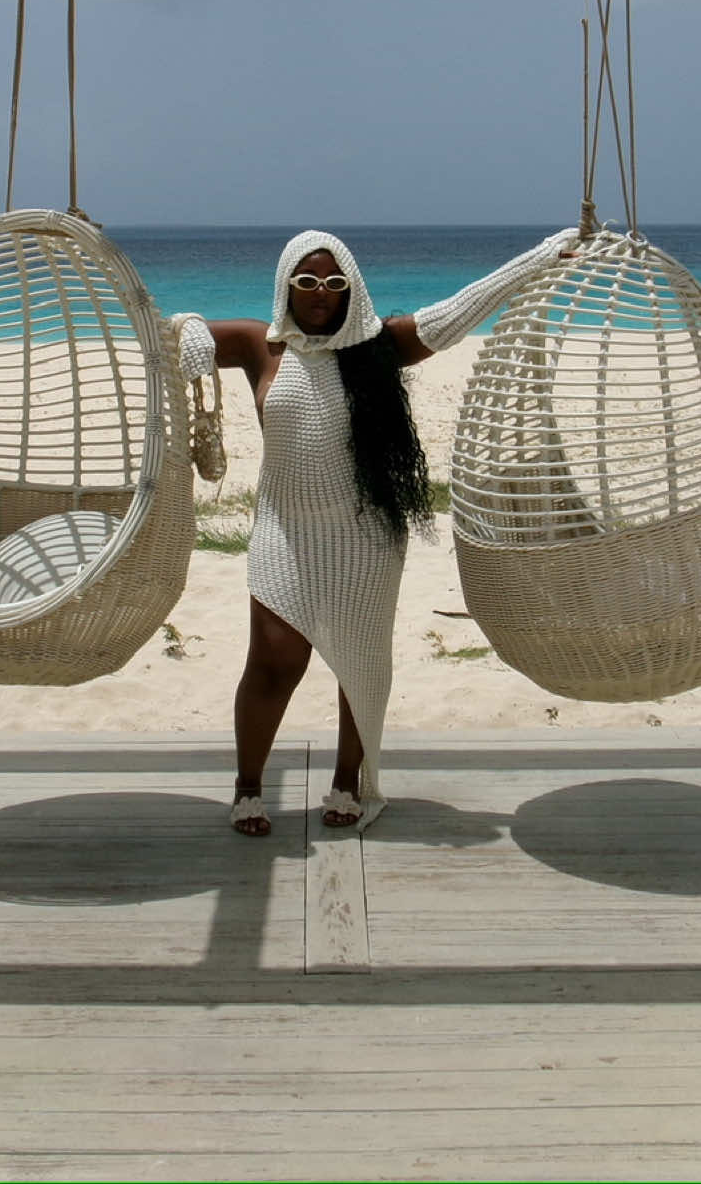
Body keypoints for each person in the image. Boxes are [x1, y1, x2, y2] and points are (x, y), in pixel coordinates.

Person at [173, 226, 578, 836]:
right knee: (275, 661)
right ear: (286, 284)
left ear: (349, 290)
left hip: (366, 537)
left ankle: (347, 781)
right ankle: (248, 786)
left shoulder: (379, 347)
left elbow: (459, 310)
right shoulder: (263, 346)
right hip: (284, 531)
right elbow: (170, 329)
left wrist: (541, 257)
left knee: (359, 661)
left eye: (334, 283)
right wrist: (191, 336)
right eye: (306, 281)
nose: (320, 293)